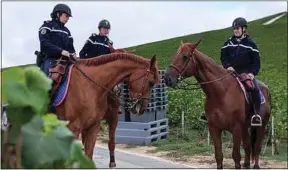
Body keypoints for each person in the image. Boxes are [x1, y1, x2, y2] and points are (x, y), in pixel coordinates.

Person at [220, 17, 261, 116]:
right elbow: (223, 57)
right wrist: (228, 66)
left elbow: (256, 62)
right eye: (234, 29)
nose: (236, 30)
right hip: (230, 72)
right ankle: (210, 111)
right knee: (215, 85)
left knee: (255, 89)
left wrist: (252, 73)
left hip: (245, 73)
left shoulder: (251, 44)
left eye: (238, 28)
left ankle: (256, 114)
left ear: (244, 29)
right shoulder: (227, 43)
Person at [38, 3, 76, 76]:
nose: (68, 19)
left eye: (68, 17)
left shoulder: (67, 31)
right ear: (58, 14)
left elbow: (70, 47)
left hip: (65, 61)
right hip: (50, 60)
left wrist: (73, 53)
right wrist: (61, 51)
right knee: (47, 83)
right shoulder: (47, 26)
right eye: (66, 16)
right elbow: (44, 44)